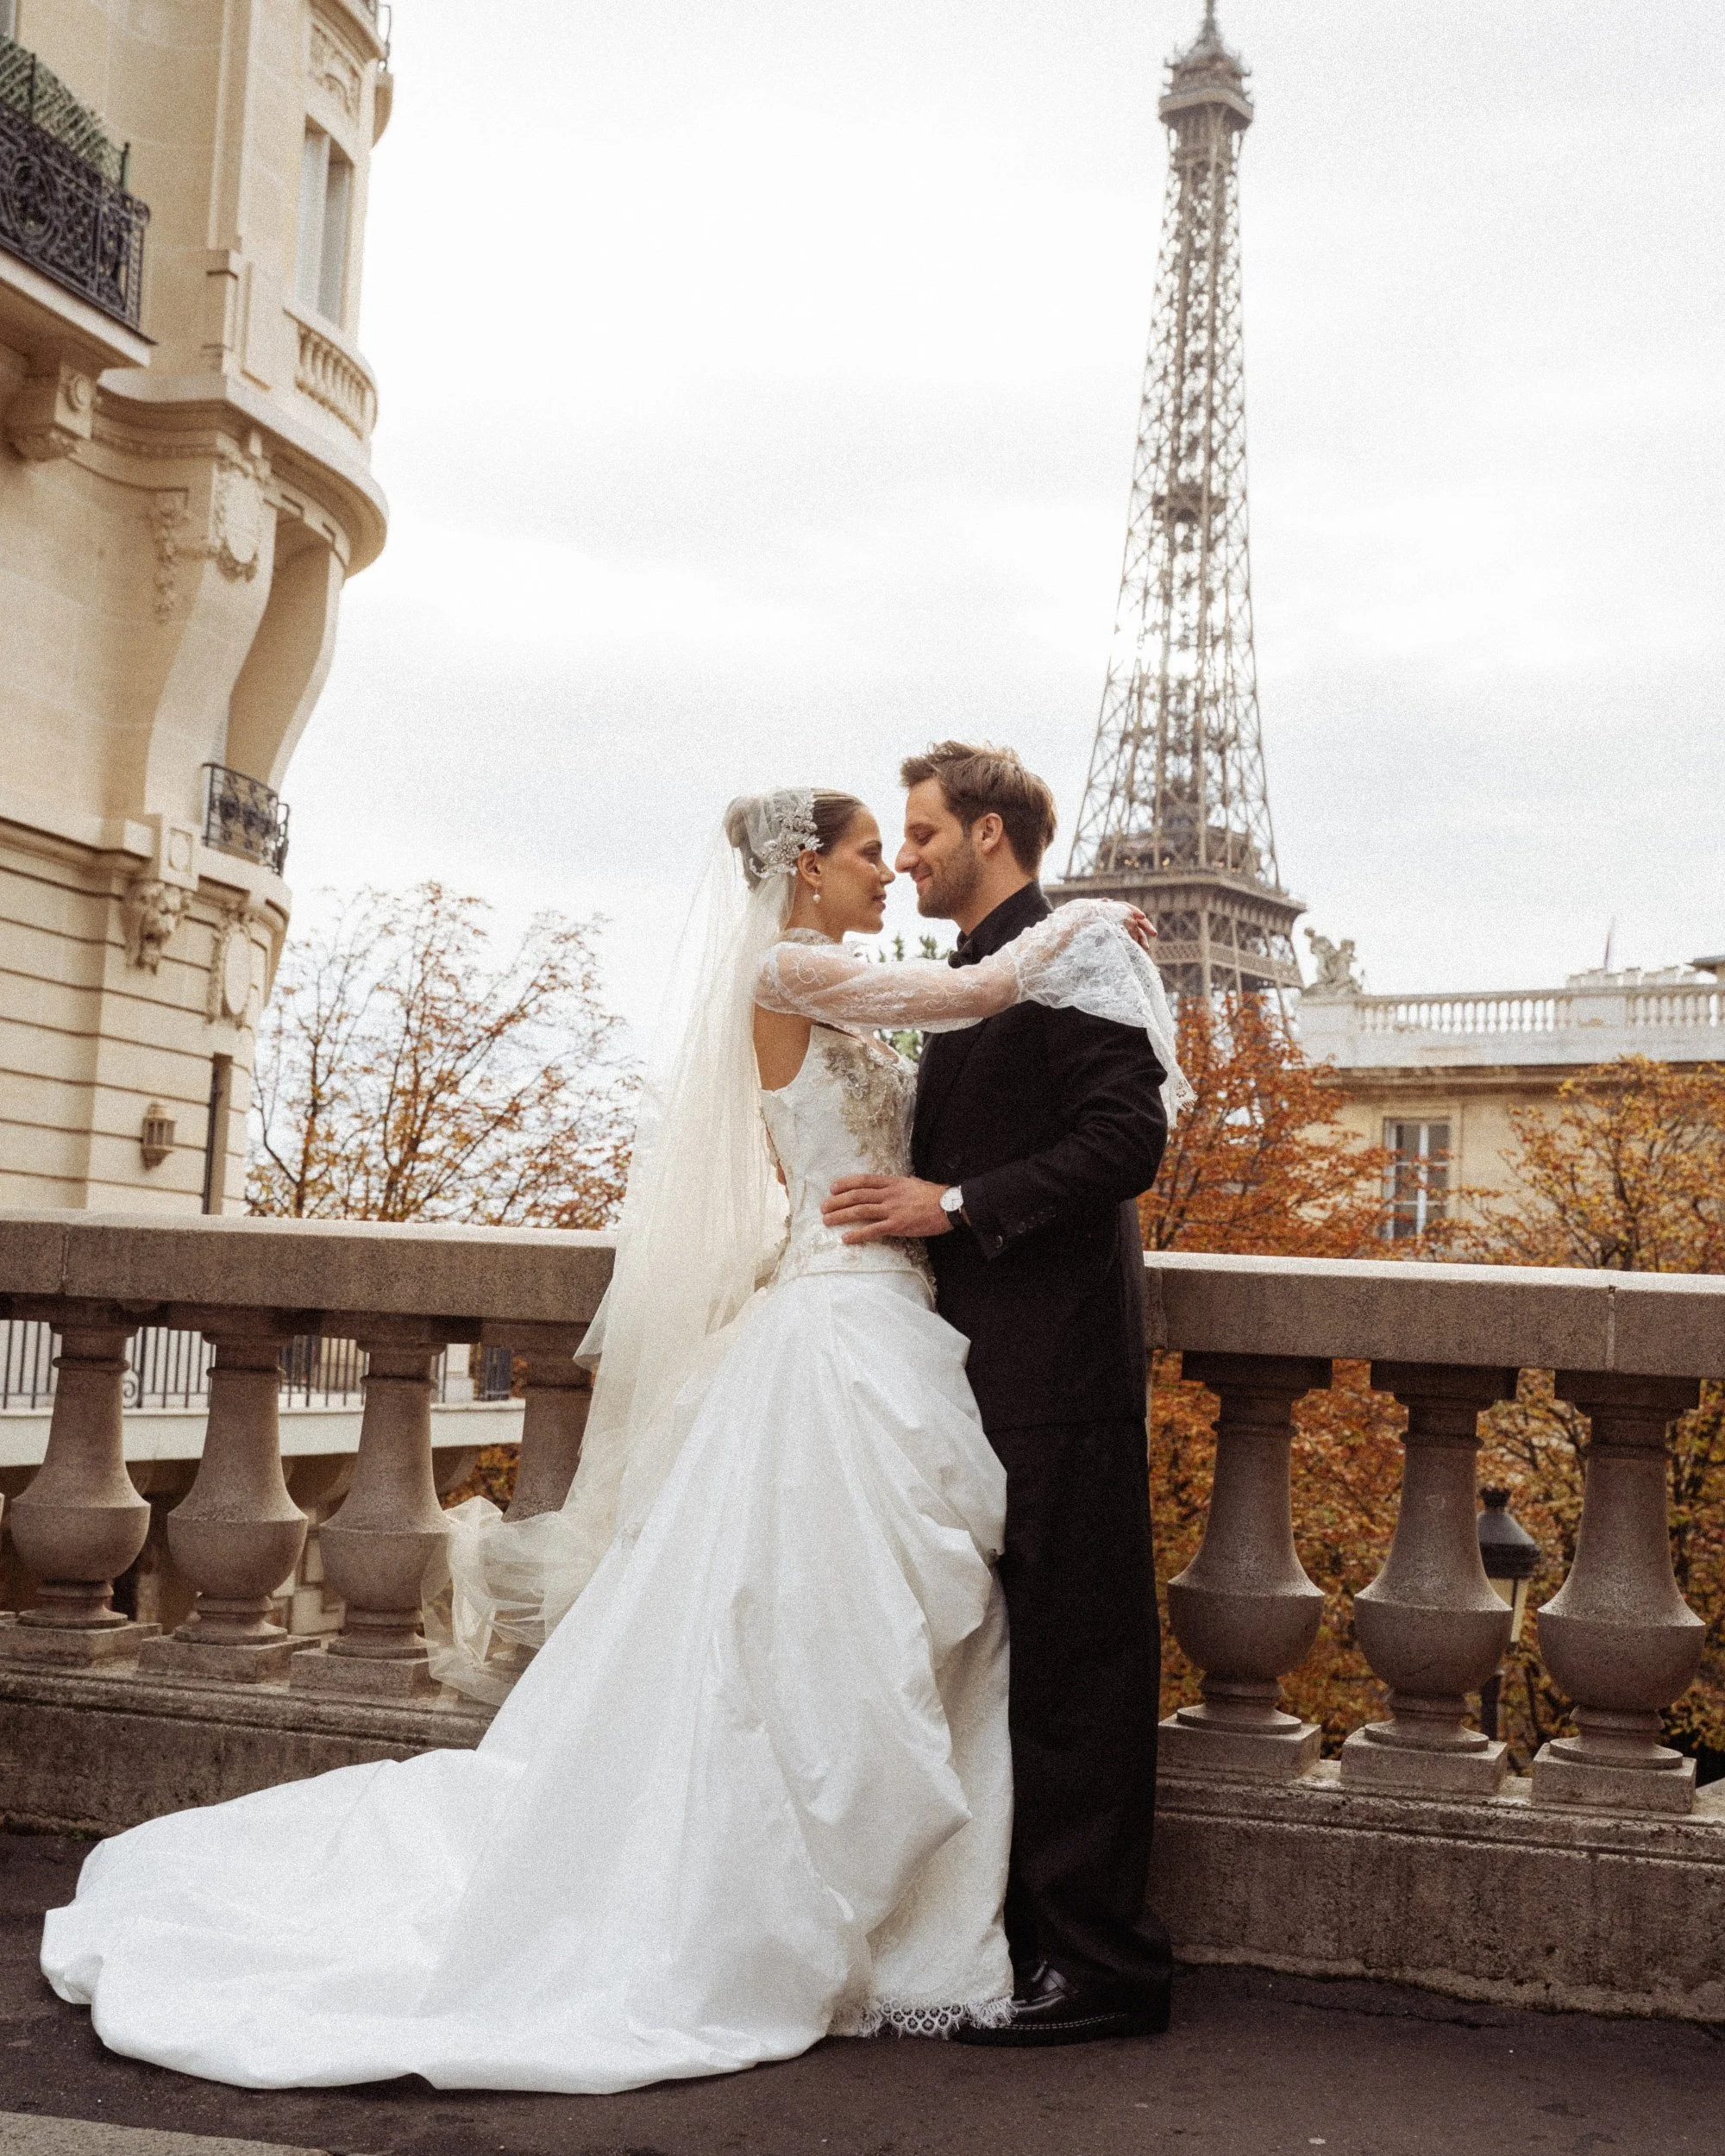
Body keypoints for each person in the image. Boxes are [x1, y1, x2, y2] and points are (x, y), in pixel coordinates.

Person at [41, 787, 1184, 2095]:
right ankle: (810, 1912)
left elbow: (998, 1068)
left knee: (847, 1628)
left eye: (907, 841)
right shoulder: (789, 968)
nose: (892, 868)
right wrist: (1085, 922)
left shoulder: (850, 983)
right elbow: (972, 997)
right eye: (876, 849)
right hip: (845, 1328)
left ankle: (913, 1912)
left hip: (895, 1330)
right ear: (807, 869)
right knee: (813, 1630)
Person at [821, 743, 1179, 2044]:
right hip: (959, 1369)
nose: (907, 856)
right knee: (1000, 1665)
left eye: (921, 832)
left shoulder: (1083, 954)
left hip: (1059, 1367)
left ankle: (1103, 1967)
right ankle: (1025, 1942)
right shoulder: (982, 969)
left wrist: (957, 1204)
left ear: (988, 832)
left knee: (1081, 1665)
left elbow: (1127, 1137)